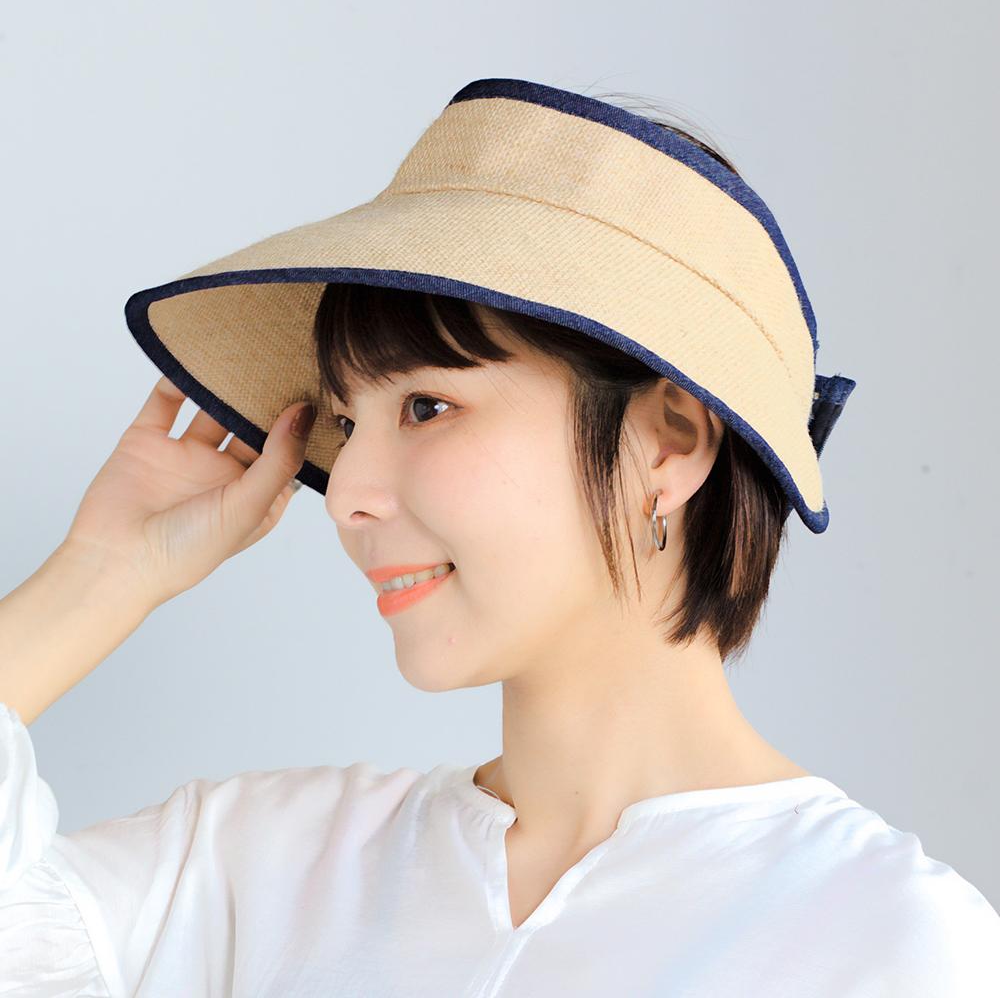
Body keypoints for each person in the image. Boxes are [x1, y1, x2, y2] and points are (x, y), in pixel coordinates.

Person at [3, 78, 999, 996]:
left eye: (427, 407)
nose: (346, 494)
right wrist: (104, 572)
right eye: (345, 422)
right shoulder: (254, 868)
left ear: (671, 439)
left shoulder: (888, 942)